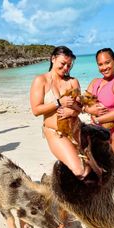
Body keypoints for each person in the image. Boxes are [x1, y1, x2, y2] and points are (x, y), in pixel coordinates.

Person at [30, 46, 89, 181]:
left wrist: (73, 112)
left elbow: (80, 108)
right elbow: (36, 110)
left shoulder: (73, 81)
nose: (66, 68)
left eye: (69, 65)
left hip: (76, 130)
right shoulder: (41, 80)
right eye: (63, 64)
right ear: (53, 59)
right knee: (80, 170)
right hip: (55, 132)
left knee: (89, 167)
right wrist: (58, 102)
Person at [84, 48, 114, 162]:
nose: (104, 67)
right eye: (100, 64)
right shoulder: (95, 82)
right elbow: (83, 104)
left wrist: (98, 120)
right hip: (97, 133)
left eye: (107, 62)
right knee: (101, 172)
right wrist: (91, 111)